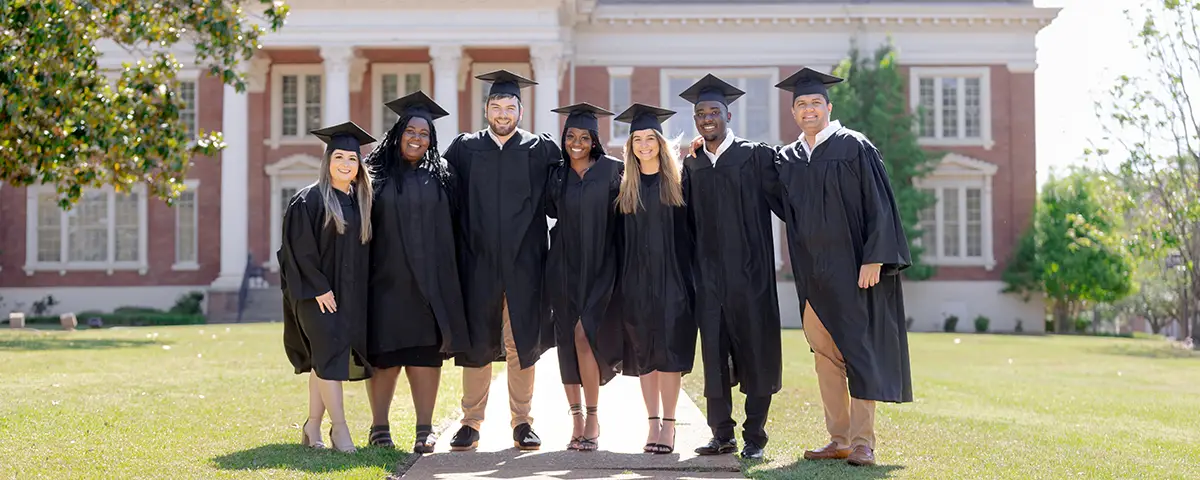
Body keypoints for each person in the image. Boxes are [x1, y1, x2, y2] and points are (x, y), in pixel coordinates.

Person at [773, 67, 914, 467]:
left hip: (854, 271)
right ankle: (838, 439)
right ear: (794, 112)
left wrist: (874, 257)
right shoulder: (789, 157)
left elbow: (880, 204)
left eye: (815, 102)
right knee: (824, 355)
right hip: (813, 275)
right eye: (801, 104)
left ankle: (863, 441)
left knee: (858, 351)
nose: (808, 109)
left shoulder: (854, 146)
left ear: (828, 107)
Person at [442, 69, 560, 451]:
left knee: (520, 343)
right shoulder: (464, 148)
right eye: (497, 106)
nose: (504, 113)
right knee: (477, 345)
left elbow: (573, 182)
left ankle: (522, 422)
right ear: (487, 109)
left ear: (521, 111)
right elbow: (439, 188)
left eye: (510, 107)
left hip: (525, 267)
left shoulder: (539, 149)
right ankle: (471, 423)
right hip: (477, 264)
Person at [679, 74, 785, 460]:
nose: (707, 118)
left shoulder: (755, 156)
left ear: (727, 114)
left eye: (714, 112)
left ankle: (755, 436)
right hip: (708, 278)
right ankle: (721, 434)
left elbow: (787, 203)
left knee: (756, 352)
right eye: (700, 113)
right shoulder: (692, 165)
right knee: (714, 357)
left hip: (752, 276)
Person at [361, 91, 472, 453]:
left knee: (425, 353)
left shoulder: (444, 176)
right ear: (397, 133)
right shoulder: (374, 174)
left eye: (424, 134)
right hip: (385, 280)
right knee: (384, 353)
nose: (417, 138)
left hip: (431, 283)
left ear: (432, 139)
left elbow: (459, 227)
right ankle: (379, 427)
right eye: (411, 130)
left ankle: (425, 428)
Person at [278, 121, 376, 454]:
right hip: (316, 296)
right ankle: (341, 431)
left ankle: (312, 427)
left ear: (359, 166)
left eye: (352, 159)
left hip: (347, 296)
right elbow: (298, 251)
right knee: (330, 357)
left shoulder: (361, 202)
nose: (346, 164)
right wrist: (319, 288)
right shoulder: (308, 201)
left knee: (325, 360)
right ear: (327, 161)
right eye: (339, 157)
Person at [611, 103, 697, 455]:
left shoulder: (679, 181)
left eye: (650, 138)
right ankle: (652, 424)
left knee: (670, 353)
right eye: (637, 139)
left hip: (675, 280)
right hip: (636, 282)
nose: (644, 144)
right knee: (645, 354)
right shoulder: (624, 187)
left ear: (661, 143)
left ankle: (671, 424)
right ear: (630, 145)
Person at [545, 102, 625, 451]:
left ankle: (593, 418)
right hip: (562, 267)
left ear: (595, 139)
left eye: (584, 136)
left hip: (600, 267)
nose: (577, 142)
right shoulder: (557, 175)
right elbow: (549, 210)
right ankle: (576, 420)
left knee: (584, 337)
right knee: (566, 343)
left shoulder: (613, 171)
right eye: (571, 136)